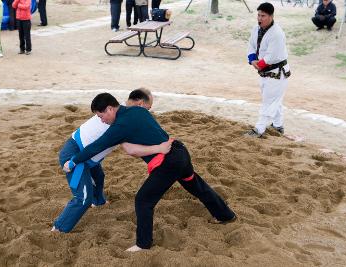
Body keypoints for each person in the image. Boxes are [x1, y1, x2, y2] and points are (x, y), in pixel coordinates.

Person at [63, 93, 237, 252]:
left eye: (101, 116)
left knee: (143, 200)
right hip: (180, 152)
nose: (101, 121)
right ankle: (225, 215)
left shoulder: (119, 126)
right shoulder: (138, 110)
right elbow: (133, 144)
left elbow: (96, 146)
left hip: (168, 163)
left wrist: (73, 161)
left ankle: (143, 244)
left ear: (110, 109)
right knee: (197, 186)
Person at [52, 89, 168, 233]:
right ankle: (59, 228)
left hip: (89, 156)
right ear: (139, 103)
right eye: (148, 106)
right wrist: (72, 162)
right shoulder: (118, 119)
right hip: (75, 154)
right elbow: (97, 147)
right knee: (83, 198)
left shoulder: (124, 114)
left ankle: (98, 202)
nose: (149, 110)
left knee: (99, 176)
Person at [246, 2, 291, 138]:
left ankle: (259, 129)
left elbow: (272, 56)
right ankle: (278, 126)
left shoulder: (277, 33)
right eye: (258, 15)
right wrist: (252, 59)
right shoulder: (256, 28)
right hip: (265, 72)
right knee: (274, 100)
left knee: (269, 101)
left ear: (271, 16)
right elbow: (251, 45)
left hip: (277, 73)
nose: (259, 18)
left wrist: (259, 64)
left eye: (263, 16)